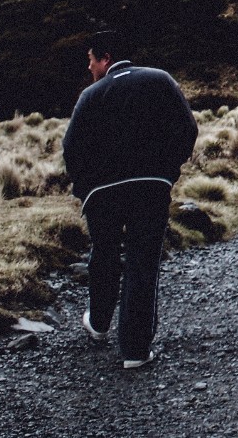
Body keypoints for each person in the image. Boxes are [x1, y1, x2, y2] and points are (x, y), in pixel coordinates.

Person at [61, 28, 197, 369]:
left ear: (105, 59)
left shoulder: (90, 96)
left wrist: (84, 189)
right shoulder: (160, 80)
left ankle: (99, 322)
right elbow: (187, 128)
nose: (89, 68)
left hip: (101, 192)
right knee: (142, 260)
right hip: (150, 185)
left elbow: (71, 148)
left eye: (91, 60)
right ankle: (135, 351)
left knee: (104, 252)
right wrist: (168, 171)